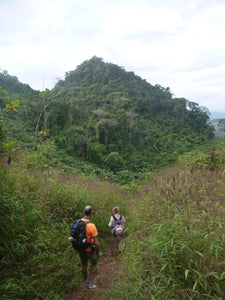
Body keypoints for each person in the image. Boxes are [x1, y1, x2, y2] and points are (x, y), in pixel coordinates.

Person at [79, 205, 102, 289]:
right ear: (91, 213)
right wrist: (98, 252)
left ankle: (85, 281)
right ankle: (91, 284)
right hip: (89, 249)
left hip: (81, 248)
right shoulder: (91, 225)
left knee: (84, 264)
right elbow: (96, 242)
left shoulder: (78, 222)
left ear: (84, 212)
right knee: (94, 264)